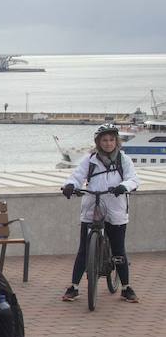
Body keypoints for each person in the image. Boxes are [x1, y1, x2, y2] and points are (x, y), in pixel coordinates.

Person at [60, 123, 139, 303]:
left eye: (112, 140)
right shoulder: (90, 159)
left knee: (119, 250)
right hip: (92, 206)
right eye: (104, 140)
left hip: (116, 206)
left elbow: (133, 179)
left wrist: (123, 186)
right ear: (98, 142)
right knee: (84, 249)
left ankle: (126, 287)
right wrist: (70, 186)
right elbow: (77, 176)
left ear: (116, 141)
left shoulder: (123, 159)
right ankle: (74, 287)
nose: (108, 143)